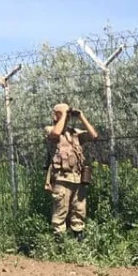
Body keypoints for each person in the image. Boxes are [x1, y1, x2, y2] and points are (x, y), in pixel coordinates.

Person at [44, 102, 98, 238]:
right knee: (60, 210)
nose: (67, 117)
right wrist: (63, 114)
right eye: (61, 113)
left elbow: (93, 135)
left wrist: (81, 116)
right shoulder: (50, 129)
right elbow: (56, 132)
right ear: (55, 115)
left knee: (79, 209)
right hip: (61, 178)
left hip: (77, 178)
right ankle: (60, 242)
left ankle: (78, 236)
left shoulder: (74, 133)